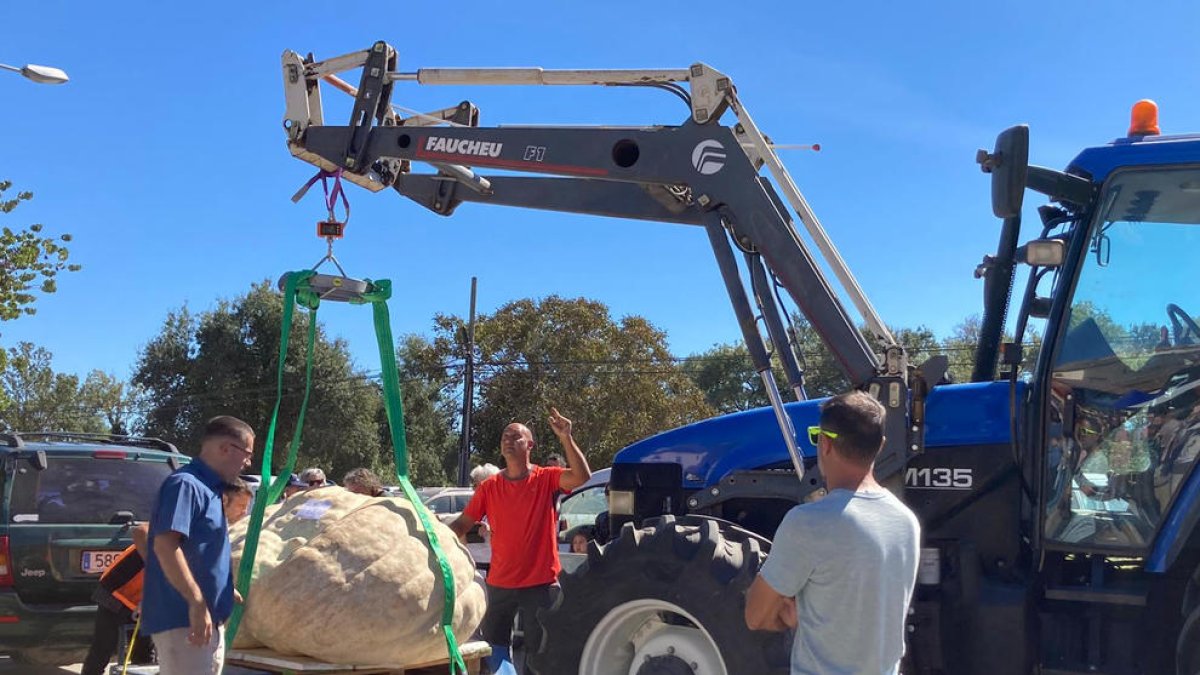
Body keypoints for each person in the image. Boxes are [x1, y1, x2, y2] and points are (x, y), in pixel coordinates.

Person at [745, 392, 920, 675]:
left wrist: (790, 616)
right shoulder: (907, 522)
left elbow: (755, 615)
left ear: (825, 443)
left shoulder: (809, 523)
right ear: (880, 447)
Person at [451, 408, 592, 674]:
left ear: (530, 445)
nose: (507, 439)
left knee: (541, 655)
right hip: (500, 584)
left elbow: (582, 477)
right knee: (494, 650)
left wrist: (566, 438)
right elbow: (462, 524)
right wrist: (434, 534)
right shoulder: (489, 487)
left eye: (515, 436)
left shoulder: (546, 477)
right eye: (505, 435)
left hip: (539, 584)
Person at [142, 415, 255, 675]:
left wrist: (225, 588)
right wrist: (196, 602)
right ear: (225, 448)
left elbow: (201, 549)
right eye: (247, 454)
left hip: (205, 619)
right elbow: (165, 545)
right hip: (184, 619)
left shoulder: (211, 489)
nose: (248, 463)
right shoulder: (185, 485)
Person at [81, 523, 154, 675]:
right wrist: (157, 569)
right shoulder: (171, 528)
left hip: (142, 600)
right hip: (114, 591)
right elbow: (140, 530)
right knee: (102, 649)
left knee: (144, 656)